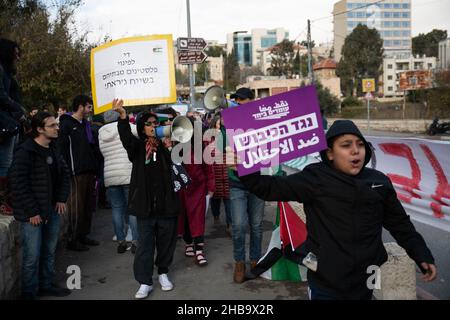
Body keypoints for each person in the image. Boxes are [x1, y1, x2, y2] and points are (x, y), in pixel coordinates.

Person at [232, 119, 437, 300]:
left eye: (360, 145)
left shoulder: (379, 182)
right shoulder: (314, 178)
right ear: (330, 153)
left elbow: (400, 224)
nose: (355, 151)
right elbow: (270, 188)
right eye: (346, 146)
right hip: (326, 283)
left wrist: (421, 254)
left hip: (367, 277)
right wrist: (244, 168)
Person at [112, 99, 181, 299]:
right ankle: (144, 281)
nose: (153, 127)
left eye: (155, 123)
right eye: (149, 124)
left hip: (167, 204)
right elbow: (126, 138)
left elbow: (179, 162)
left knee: (166, 241)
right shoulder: (138, 148)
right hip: (145, 206)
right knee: (145, 245)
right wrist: (123, 118)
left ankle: (163, 273)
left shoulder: (167, 146)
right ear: (142, 128)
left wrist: (170, 146)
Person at [9, 111, 71, 300]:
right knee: (32, 256)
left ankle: (46, 285)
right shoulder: (25, 151)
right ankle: (29, 292)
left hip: (51, 210)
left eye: (56, 124)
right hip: (32, 214)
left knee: (49, 251)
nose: (57, 128)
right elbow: (18, 183)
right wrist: (33, 212)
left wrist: (61, 198)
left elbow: (65, 174)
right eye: (52, 125)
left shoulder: (53, 148)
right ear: (39, 129)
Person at [227, 87, 266, 283]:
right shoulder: (228, 125)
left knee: (257, 226)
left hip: (258, 183)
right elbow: (220, 153)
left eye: (244, 100)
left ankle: (255, 261)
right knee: (240, 225)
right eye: (238, 100)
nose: (240, 103)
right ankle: (240, 262)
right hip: (237, 184)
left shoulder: (262, 123)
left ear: (253, 101)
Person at [57, 95, 99, 251]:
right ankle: (72, 239)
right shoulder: (66, 124)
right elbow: (62, 149)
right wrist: (67, 170)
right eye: (88, 106)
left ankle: (83, 235)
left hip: (88, 170)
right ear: (80, 106)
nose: (90, 110)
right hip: (75, 172)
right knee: (76, 207)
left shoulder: (86, 125)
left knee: (88, 206)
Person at [99, 110, 138, 254]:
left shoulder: (101, 133)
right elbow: (140, 133)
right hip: (127, 172)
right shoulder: (127, 126)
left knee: (116, 209)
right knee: (133, 208)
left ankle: (121, 241)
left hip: (110, 175)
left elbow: (102, 153)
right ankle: (135, 241)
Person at [178, 116, 215, 266]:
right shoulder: (174, 145)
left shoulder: (201, 146)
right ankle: (188, 243)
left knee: (198, 218)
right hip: (180, 189)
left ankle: (199, 250)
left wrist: (211, 188)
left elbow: (209, 169)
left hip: (199, 188)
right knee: (185, 217)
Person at [0, 38, 28, 215]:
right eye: (15, 53)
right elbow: (2, 96)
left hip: (10, 123)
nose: (17, 57)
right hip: (4, 124)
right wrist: (20, 109)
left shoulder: (7, 72)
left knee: (8, 163)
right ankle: (3, 202)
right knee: (5, 164)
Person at [209, 113, 232, 236]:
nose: (218, 127)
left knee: (228, 199)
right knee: (215, 198)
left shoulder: (227, 135)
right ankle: (216, 215)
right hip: (215, 172)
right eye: (217, 124)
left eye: (220, 124)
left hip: (227, 171)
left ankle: (230, 224)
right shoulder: (209, 138)